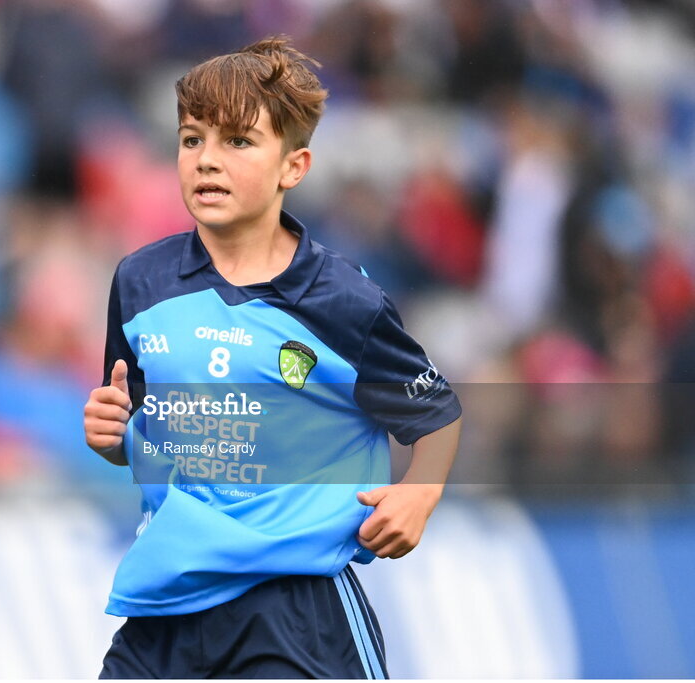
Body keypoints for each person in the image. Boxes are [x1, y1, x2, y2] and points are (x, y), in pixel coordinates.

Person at [83, 36, 462, 679]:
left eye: (238, 142)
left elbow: (436, 414)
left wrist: (418, 495)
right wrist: (111, 434)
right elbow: (141, 429)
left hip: (297, 614)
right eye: (191, 138)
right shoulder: (140, 282)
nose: (206, 161)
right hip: (167, 606)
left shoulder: (345, 301)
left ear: (295, 166)